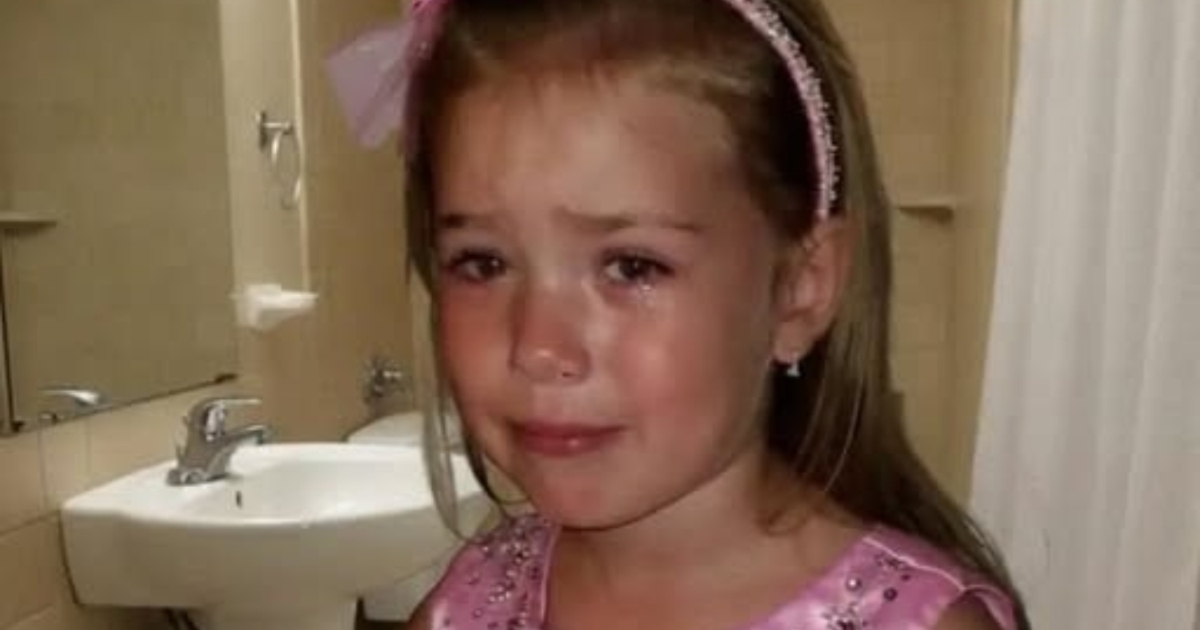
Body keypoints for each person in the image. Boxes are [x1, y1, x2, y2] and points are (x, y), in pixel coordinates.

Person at [328, 0, 1030, 628]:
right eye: (482, 263)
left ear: (800, 290)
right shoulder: (467, 602)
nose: (539, 347)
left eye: (632, 267)